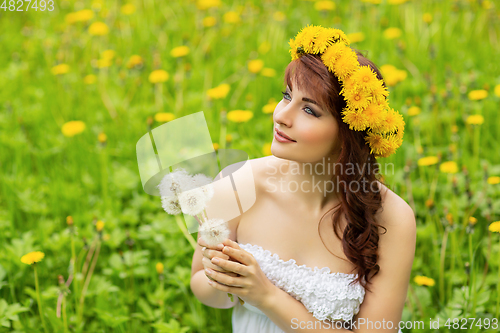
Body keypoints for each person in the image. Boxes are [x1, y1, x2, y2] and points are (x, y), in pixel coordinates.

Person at [190, 24, 416, 333]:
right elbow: (200, 285)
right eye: (286, 96)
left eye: (309, 110)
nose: (282, 115)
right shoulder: (237, 184)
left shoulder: (392, 217)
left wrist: (268, 296)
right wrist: (224, 278)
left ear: (347, 133)